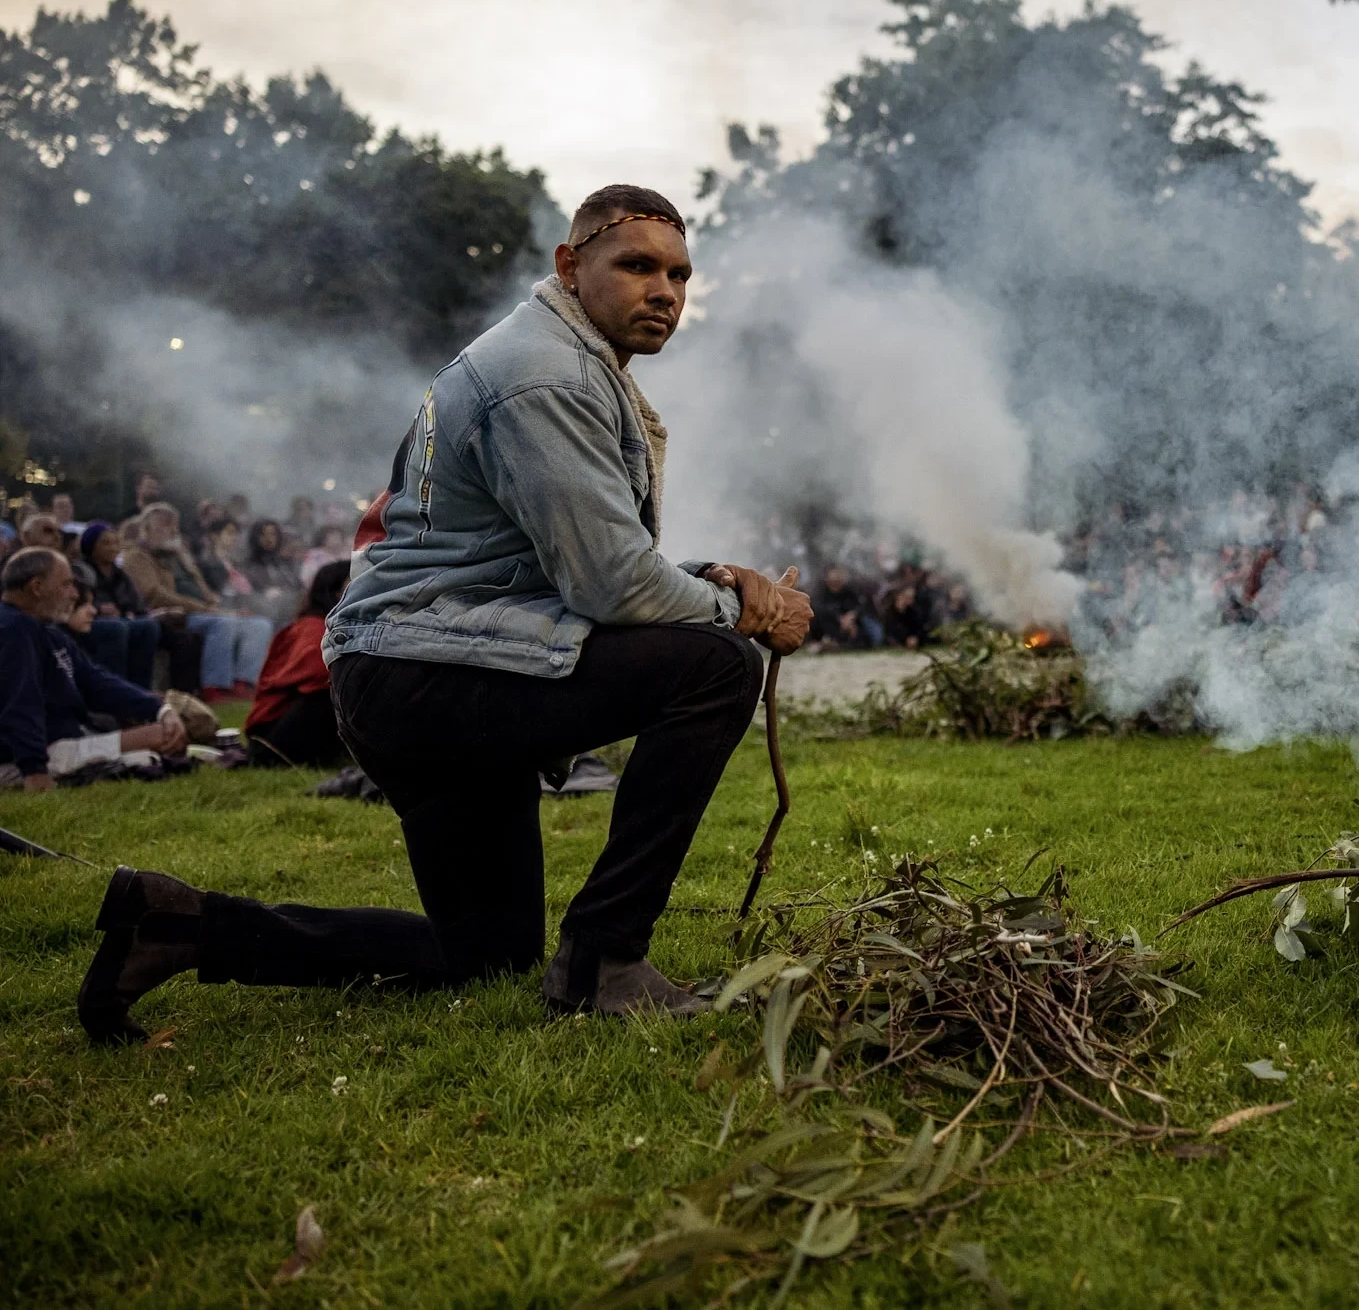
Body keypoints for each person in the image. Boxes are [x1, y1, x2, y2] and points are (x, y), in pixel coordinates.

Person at [77, 183, 812, 1045]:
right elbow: (612, 588)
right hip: (425, 673)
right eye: (638, 266)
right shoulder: (546, 376)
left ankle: (175, 924)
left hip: (439, 662)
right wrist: (740, 607)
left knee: (485, 953)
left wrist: (715, 581)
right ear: (570, 267)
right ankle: (607, 958)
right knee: (716, 665)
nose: (665, 291)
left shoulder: (559, 360)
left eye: (680, 275)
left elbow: (577, 562)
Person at [0, 549, 188, 790]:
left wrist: (160, 708)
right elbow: (20, 704)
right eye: (67, 584)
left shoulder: (46, 631)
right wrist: (35, 770)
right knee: (159, 738)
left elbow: (96, 682)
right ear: (37, 587)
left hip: (64, 741)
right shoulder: (13, 630)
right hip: (30, 755)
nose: (74, 594)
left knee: (165, 731)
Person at [122, 502, 273, 701]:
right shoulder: (136, 557)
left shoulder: (179, 555)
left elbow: (201, 587)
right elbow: (155, 594)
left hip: (203, 611)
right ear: (147, 529)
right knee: (223, 623)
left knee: (259, 625)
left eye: (175, 525)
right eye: (166, 525)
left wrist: (219, 606)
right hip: (173, 614)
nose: (174, 530)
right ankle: (214, 687)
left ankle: (243, 683)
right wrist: (209, 610)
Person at [245, 562, 351, 768]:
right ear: (335, 592)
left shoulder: (329, 625)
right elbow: (320, 676)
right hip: (271, 740)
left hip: (284, 731)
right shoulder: (313, 627)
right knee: (333, 691)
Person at [72, 522, 163, 689]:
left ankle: (141, 691)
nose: (113, 547)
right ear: (91, 546)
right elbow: (77, 602)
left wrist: (131, 612)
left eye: (115, 543)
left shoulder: (120, 574)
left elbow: (137, 604)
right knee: (117, 628)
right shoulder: (81, 571)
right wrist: (99, 609)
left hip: (121, 619)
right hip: (93, 622)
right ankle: (116, 689)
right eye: (106, 543)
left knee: (149, 626)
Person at [239, 519, 303, 625]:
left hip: (288, 610)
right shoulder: (247, 564)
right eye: (263, 535)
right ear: (255, 537)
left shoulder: (285, 563)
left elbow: (298, 587)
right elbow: (247, 595)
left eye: (273, 534)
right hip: (262, 613)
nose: (269, 539)